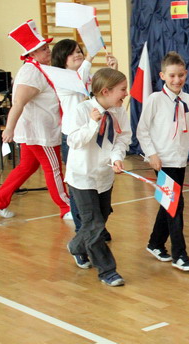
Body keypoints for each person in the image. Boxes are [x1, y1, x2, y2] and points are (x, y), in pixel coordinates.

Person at [0, 20, 70, 219]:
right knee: (53, 169)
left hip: (36, 130)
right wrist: (9, 129)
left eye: (47, 47)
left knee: (27, 166)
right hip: (39, 133)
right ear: (32, 53)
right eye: (44, 49)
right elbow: (18, 103)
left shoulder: (40, 68)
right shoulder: (31, 73)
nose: (49, 51)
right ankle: (66, 208)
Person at [137, 51, 189, 271]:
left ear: (186, 74)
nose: (177, 80)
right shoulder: (155, 100)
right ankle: (180, 255)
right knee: (176, 204)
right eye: (172, 75)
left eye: (180, 75)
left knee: (169, 203)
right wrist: (152, 154)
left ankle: (155, 243)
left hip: (180, 161)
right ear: (162, 76)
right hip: (162, 162)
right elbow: (142, 130)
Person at [65, 67, 131, 286]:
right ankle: (107, 271)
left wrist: (117, 158)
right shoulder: (82, 110)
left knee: (100, 219)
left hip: (104, 176)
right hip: (82, 176)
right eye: (122, 89)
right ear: (106, 91)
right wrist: (93, 124)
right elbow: (73, 141)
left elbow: (122, 138)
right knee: (94, 224)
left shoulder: (119, 111)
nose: (126, 93)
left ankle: (76, 246)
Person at [51, 39, 118, 234]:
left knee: (98, 180)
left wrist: (112, 70)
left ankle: (97, 226)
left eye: (79, 50)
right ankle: (83, 231)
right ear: (62, 58)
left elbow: (105, 92)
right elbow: (79, 82)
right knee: (79, 186)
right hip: (75, 136)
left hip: (95, 132)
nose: (78, 54)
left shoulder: (87, 76)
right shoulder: (62, 78)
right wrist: (90, 56)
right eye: (72, 53)